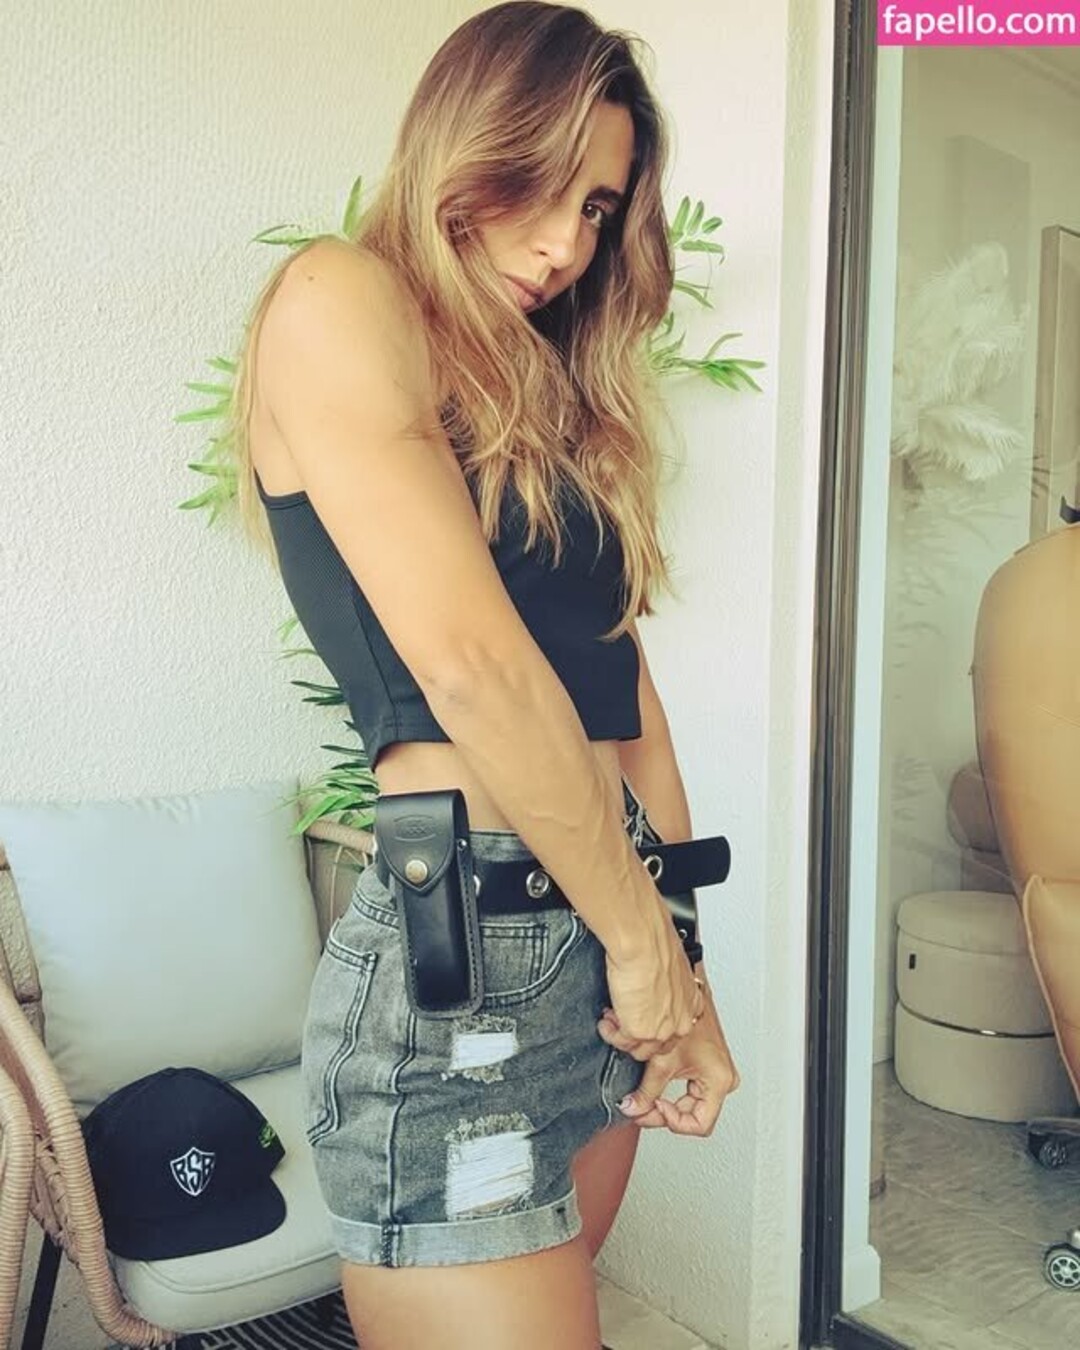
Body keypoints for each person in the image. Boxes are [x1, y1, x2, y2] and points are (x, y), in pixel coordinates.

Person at [230, 4, 738, 1346]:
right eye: (546, 185)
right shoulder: (339, 295)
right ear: (468, 139)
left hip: (601, 940)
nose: (569, 243)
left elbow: (625, 703)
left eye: (599, 209)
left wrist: (679, 968)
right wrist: (643, 945)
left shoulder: (548, 397)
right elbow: (469, 664)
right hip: (466, 955)